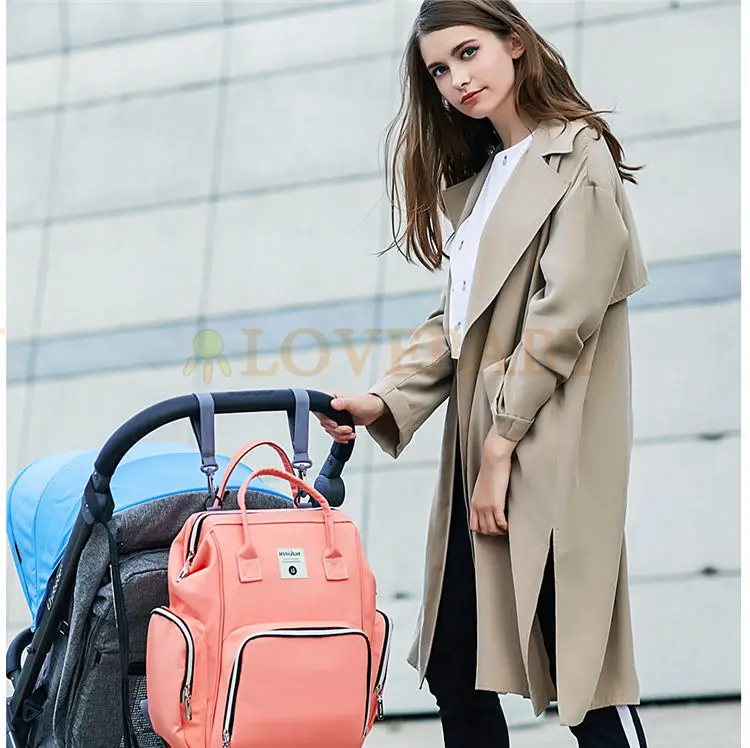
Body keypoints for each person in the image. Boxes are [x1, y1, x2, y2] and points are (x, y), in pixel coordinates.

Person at [315, 1, 650, 746]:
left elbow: (564, 315)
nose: (457, 79)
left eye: (468, 53)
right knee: (454, 666)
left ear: (515, 43)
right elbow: (458, 324)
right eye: (440, 69)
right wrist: (384, 400)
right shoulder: (487, 177)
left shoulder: (577, 156)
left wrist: (502, 443)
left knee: (584, 672)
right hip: (480, 453)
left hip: (546, 445)